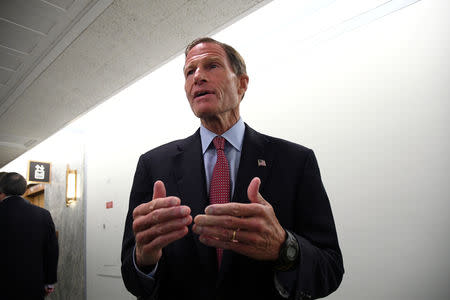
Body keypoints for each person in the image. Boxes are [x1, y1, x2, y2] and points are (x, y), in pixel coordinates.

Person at [121, 37, 344, 300]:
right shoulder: (153, 165)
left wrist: (285, 247)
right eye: (189, 72)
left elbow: (330, 269)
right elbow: (132, 276)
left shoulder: (296, 161)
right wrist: (144, 260)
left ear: (241, 84)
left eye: (211, 66)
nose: (198, 77)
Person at [0, 172, 59, 299]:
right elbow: (51, 250)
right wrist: (49, 281)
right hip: (33, 284)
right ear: (23, 189)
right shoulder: (43, 215)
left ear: (2, 188)